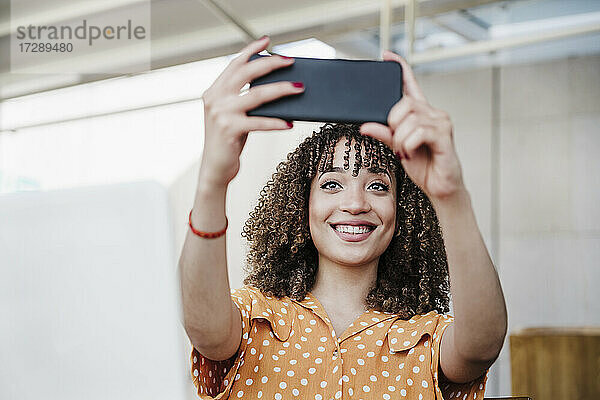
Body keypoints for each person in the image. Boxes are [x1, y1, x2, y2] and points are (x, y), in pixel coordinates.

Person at [179, 35, 508, 400]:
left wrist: (451, 196)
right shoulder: (254, 318)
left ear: (403, 213)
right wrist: (211, 181)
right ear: (300, 207)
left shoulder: (426, 338)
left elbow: (482, 346)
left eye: (379, 186)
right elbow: (204, 330)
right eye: (332, 183)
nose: (355, 203)